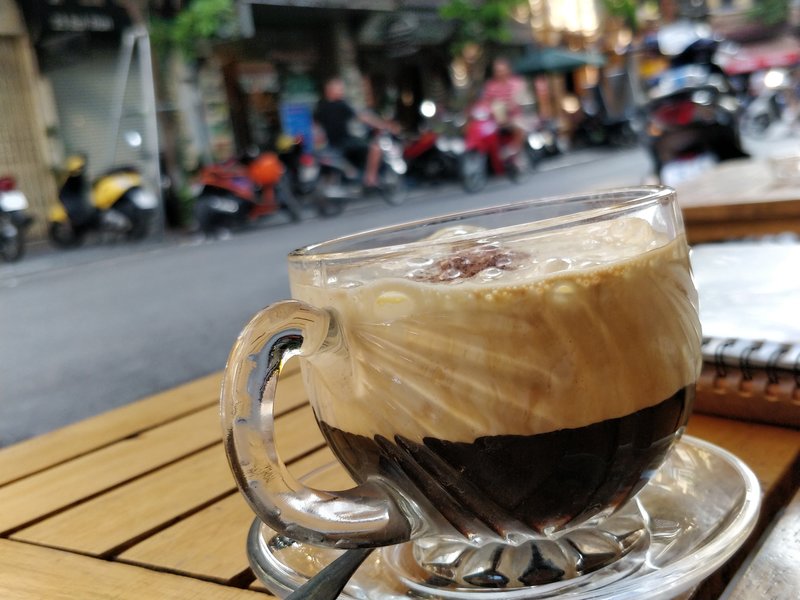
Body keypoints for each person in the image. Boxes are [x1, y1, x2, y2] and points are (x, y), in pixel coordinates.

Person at [314, 77, 396, 187]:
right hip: (345, 142)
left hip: (331, 145)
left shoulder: (320, 106)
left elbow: (315, 126)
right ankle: (371, 178)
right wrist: (383, 125)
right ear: (329, 90)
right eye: (339, 89)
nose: (342, 91)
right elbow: (363, 117)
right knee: (375, 147)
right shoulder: (341, 104)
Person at [481, 57, 528, 154]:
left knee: (519, 126)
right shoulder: (490, 85)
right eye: (498, 71)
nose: (500, 73)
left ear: (508, 70)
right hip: (495, 120)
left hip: (514, 117)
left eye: (502, 70)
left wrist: (510, 105)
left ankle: (514, 149)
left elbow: (521, 97)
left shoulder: (517, 83)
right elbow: (485, 103)